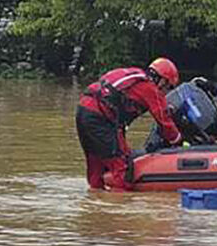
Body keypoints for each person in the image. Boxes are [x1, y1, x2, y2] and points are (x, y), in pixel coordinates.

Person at [76, 57, 182, 191]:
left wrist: (125, 150)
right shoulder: (149, 87)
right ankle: (120, 208)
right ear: (161, 79)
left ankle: (96, 203)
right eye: (167, 86)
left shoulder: (134, 76)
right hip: (100, 117)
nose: (166, 91)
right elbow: (163, 119)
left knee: (96, 166)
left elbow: (118, 120)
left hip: (84, 111)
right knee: (123, 171)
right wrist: (177, 139)